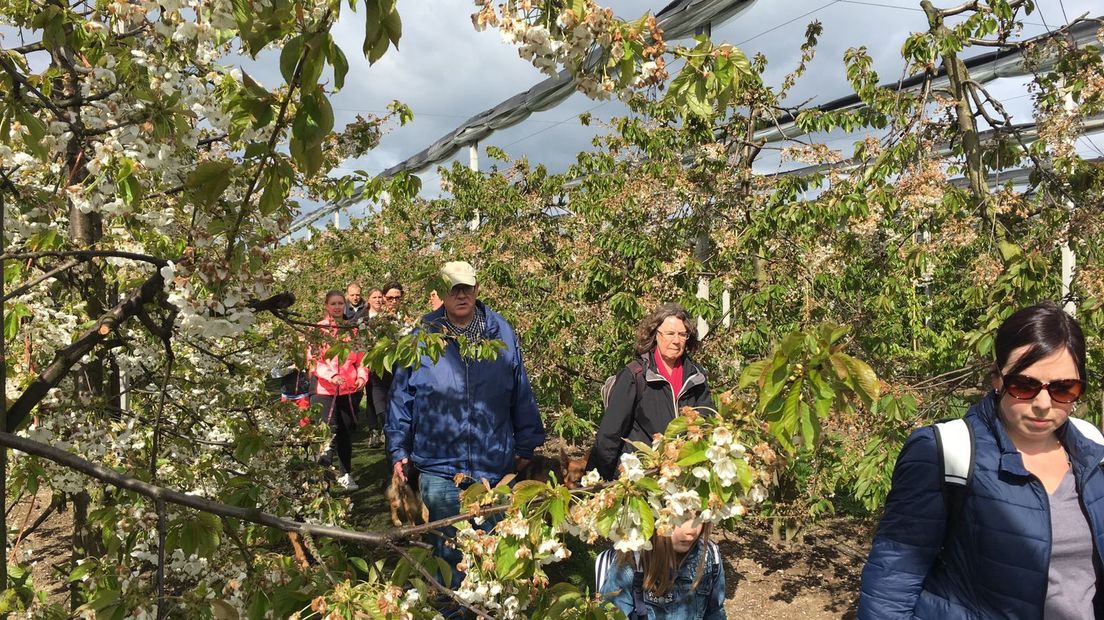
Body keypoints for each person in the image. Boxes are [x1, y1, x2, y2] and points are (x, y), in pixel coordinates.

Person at [858, 301, 1104, 619]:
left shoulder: (1094, 451)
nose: (1043, 404)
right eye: (1025, 385)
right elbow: (893, 581)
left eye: (1063, 388)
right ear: (997, 379)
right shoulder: (943, 452)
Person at [386, 260, 545, 584]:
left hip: (493, 467)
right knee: (450, 555)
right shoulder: (422, 335)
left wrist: (526, 441)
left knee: (496, 555)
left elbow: (520, 388)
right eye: (453, 288)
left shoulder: (501, 332)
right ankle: (455, 610)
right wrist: (399, 447)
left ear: (477, 289)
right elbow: (401, 396)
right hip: (441, 467)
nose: (461, 295)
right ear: (441, 292)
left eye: (466, 288)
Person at [587, 303, 712, 480]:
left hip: (683, 476)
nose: (676, 341)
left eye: (682, 334)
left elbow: (708, 422)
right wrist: (597, 481)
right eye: (670, 333)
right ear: (655, 335)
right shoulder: (636, 376)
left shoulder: (696, 377)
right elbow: (610, 433)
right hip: (642, 475)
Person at [596, 518, 726, 619]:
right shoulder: (632, 564)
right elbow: (611, 614)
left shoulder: (709, 555)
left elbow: (715, 612)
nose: (691, 530)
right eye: (680, 517)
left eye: (698, 514)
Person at [308, 290, 369, 491]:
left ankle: (345, 474)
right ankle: (322, 478)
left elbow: (362, 358)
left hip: (348, 390)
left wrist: (361, 376)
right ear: (326, 306)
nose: (337, 307)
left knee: (345, 433)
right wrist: (331, 376)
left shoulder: (352, 329)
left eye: (340, 303)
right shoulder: (318, 330)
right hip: (324, 391)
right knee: (327, 434)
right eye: (333, 303)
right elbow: (314, 361)